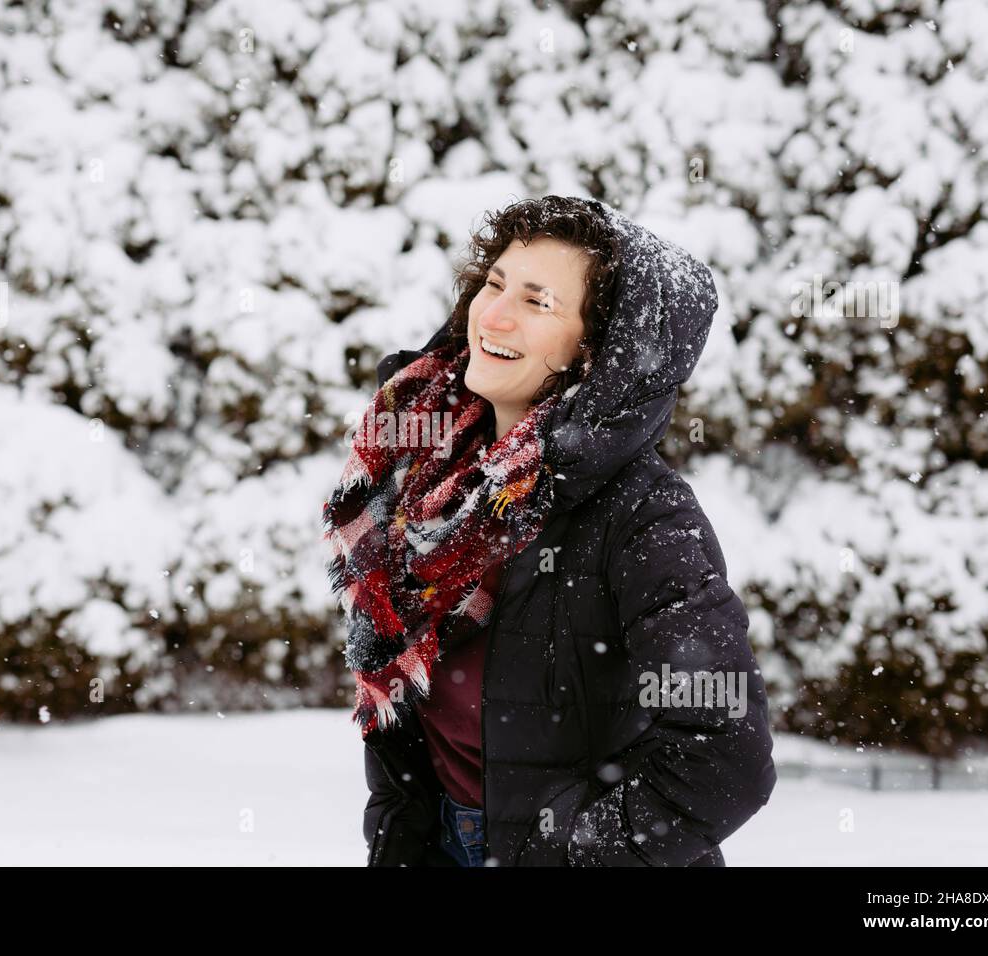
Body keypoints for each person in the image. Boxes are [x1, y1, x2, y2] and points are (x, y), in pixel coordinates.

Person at [322, 195, 777, 867]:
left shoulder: (645, 516)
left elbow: (726, 756)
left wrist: (566, 854)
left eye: (538, 303)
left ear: (594, 351)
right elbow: (401, 729)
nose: (494, 314)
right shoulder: (422, 477)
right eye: (495, 284)